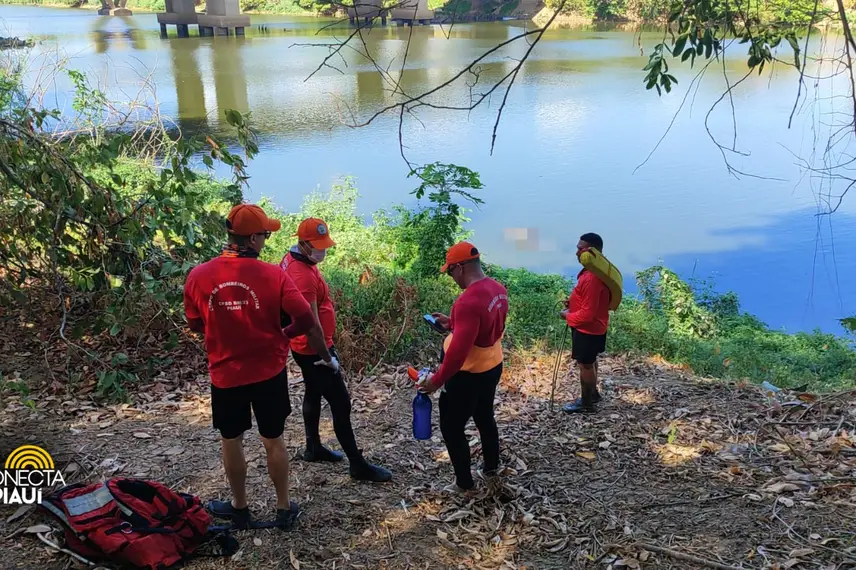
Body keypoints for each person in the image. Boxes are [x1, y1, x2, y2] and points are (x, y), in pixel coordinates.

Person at [183, 204, 339, 529]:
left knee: (231, 439)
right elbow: (306, 319)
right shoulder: (274, 275)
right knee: (273, 438)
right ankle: (283, 508)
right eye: (265, 235)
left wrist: (221, 328)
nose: (266, 240)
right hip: (268, 371)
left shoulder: (198, 276)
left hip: (226, 374)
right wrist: (283, 335)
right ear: (253, 238)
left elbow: (196, 323)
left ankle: (240, 507)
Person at [281, 218, 392, 483]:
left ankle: (313, 447)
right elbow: (312, 326)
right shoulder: (302, 274)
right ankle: (357, 464)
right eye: (318, 246)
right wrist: (327, 358)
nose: (324, 250)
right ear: (304, 244)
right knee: (341, 403)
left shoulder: (294, 260)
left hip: (304, 349)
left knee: (312, 391)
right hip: (313, 350)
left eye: (324, 244)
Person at [419, 242, 509, 492]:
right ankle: (491, 466)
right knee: (484, 416)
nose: (451, 276)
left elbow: (457, 354)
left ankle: (464, 484)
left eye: (450, 271)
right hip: (492, 365)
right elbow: (486, 325)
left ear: (460, 268)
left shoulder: (467, 301)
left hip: (467, 376)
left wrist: (436, 381)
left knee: (451, 427)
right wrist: (452, 322)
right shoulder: (498, 289)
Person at [560, 232, 611, 414]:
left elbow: (587, 315)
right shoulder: (596, 269)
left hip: (588, 329)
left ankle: (586, 403)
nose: (577, 252)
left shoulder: (591, 278)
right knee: (590, 361)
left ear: (591, 251)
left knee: (586, 365)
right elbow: (591, 301)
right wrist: (573, 302)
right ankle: (594, 394)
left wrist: (567, 315)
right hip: (597, 325)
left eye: (580, 249)